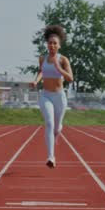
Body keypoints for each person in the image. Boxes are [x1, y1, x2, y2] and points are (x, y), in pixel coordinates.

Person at [31, 24, 73, 167]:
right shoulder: (42, 59)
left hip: (59, 97)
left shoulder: (63, 60)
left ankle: (58, 131)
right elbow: (41, 72)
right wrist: (36, 81)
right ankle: (51, 157)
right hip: (46, 96)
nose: (52, 45)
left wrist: (58, 67)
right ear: (47, 44)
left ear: (59, 45)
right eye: (50, 43)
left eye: (55, 43)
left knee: (57, 128)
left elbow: (70, 78)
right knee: (49, 123)